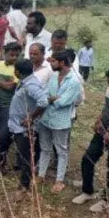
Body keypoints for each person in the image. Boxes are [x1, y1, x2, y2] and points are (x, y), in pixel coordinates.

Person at [38, 51, 82, 193]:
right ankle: (41, 175)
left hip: (61, 121)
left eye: (53, 61)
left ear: (62, 63)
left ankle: (59, 180)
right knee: (45, 148)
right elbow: (45, 95)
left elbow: (64, 102)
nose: (51, 64)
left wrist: (52, 99)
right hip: (46, 118)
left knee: (61, 150)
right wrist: (51, 99)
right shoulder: (54, 76)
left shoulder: (74, 81)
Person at [72, 70, 109, 212]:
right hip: (102, 132)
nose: (108, 84)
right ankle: (88, 191)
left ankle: (106, 201)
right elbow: (106, 107)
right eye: (108, 81)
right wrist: (99, 119)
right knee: (88, 159)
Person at [8, 59, 49, 190]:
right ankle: (25, 180)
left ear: (18, 72)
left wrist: (31, 117)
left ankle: (24, 185)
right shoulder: (26, 82)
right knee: (25, 154)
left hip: (26, 127)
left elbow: (43, 102)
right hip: (18, 125)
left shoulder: (31, 85)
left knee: (27, 156)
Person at [0, 43, 23, 173]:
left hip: (8, 106)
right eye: (11, 54)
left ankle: (1, 165)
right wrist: (1, 82)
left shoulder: (18, 69)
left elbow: (10, 87)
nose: (14, 57)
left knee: (3, 136)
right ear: (4, 53)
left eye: (17, 55)